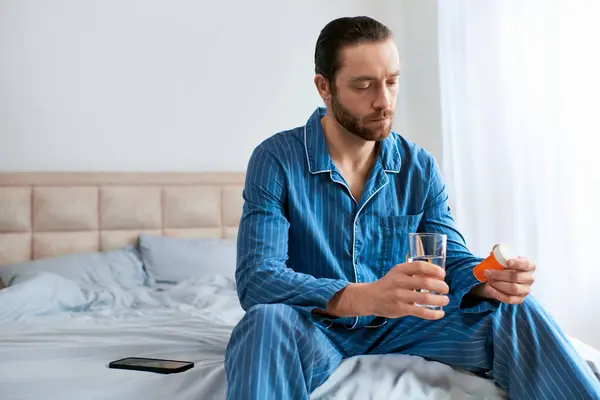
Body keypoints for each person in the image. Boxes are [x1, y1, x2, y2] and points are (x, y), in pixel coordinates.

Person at [224, 16, 600, 400]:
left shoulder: (418, 165)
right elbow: (258, 280)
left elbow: (449, 258)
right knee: (265, 322)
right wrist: (365, 296)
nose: (383, 101)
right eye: (363, 85)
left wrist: (486, 281)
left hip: (407, 323)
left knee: (516, 310)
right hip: (316, 327)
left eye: (391, 81)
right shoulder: (276, 160)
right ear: (324, 87)